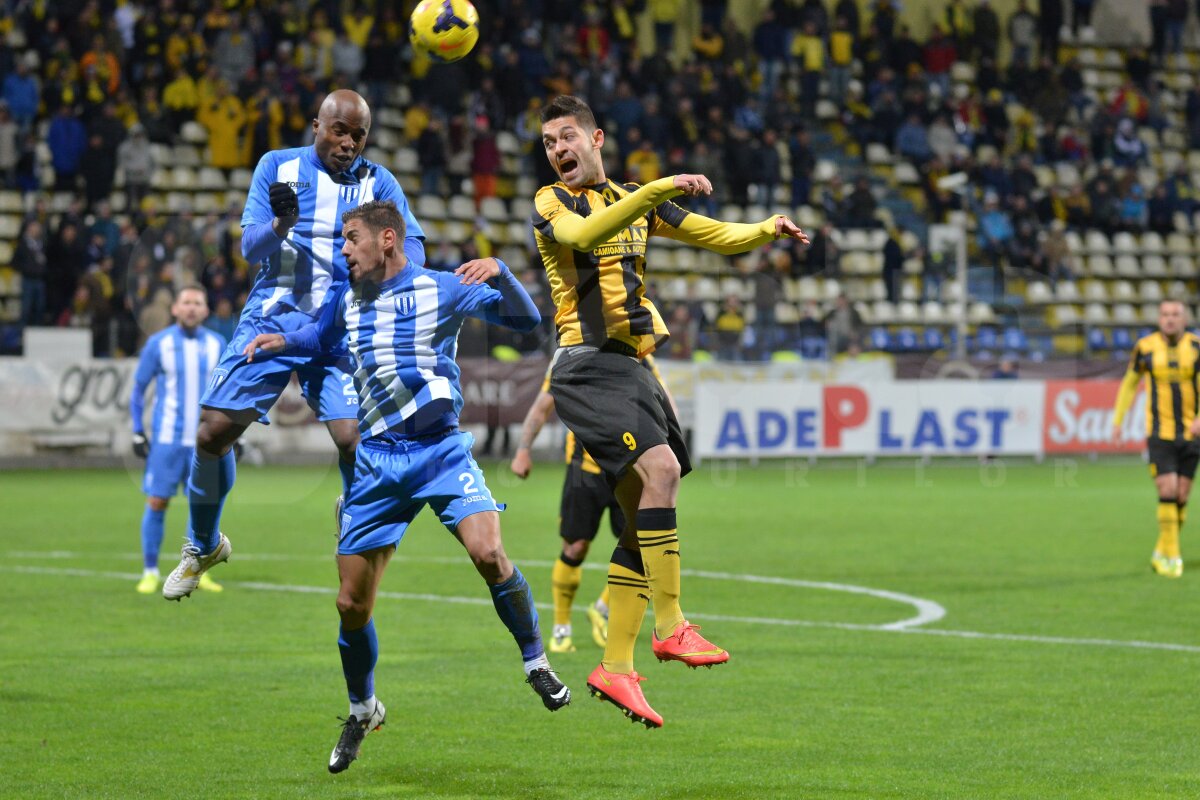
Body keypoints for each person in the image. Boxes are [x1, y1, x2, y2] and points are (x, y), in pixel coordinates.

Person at [243, 200, 567, 773]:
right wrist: (282, 343)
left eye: (351, 239)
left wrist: (504, 272)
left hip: (441, 451)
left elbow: (527, 323)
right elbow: (320, 339)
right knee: (350, 603)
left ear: (387, 239)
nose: (344, 250)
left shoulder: (441, 288)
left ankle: (535, 660)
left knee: (490, 552)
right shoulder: (347, 297)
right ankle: (362, 707)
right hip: (377, 463)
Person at [533, 95, 808, 727]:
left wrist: (766, 229)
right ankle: (671, 624)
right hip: (586, 362)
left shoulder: (634, 198)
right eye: (549, 143)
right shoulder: (554, 203)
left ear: (596, 137)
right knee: (662, 472)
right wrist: (656, 190)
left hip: (630, 367)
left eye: (567, 136)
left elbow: (715, 236)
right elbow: (583, 236)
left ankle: (617, 666)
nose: (558, 150)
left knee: (642, 517)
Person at [162, 89, 426, 601]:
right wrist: (282, 224)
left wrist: (393, 262)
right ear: (316, 126)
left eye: (358, 134)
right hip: (272, 317)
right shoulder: (277, 167)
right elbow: (249, 248)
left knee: (355, 439)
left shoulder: (380, 182)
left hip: (342, 326)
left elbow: (411, 242)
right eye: (339, 131)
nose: (348, 142)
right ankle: (203, 544)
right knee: (213, 434)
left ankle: (353, 516)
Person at [510, 352, 675, 654]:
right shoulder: (571, 355)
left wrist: (670, 448)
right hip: (584, 470)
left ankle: (603, 607)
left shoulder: (640, 353)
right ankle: (561, 628)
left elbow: (664, 400)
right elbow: (542, 406)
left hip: (629, 467)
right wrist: (523, 450)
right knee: (575, 547)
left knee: (643, 546)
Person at [130, 286, 227, 594]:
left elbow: (228, 393)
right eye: (186, 303)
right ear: (175, 309)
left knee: (202, 506)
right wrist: (137, 429)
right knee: (157, 501)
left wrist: (233, 432)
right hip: (167, 440)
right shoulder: (159, 344)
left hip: (205, 442)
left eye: (197, 303)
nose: (191, 308)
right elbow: (138, 389)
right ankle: (150, 570)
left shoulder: (217, 343)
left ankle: (199, 569)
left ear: (206, 311)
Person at [1112, 300, 1200, 579]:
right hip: (1159, 433)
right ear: (1159, 318)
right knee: (1167, 488)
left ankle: (1161, 549)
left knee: (1182, 495)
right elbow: (1129, 383)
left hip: (1191, 433)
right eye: (1165, 315)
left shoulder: (1196, 348)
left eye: (1175, 314)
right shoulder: (1145, 347)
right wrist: (1118, 420)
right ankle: (1172, 557)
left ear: (1184, 318)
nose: (1170, 319)